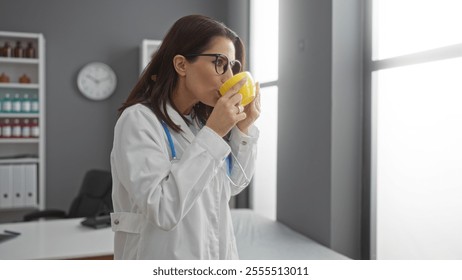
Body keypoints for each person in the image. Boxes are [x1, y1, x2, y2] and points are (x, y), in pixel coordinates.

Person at [110, 14, 261, 260]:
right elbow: (162, 209)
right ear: (181, 65)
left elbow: (233, 185)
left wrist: (243, 129)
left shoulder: (201, 122)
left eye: (233, 66)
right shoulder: (138, 120)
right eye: (220, 62)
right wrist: (213, 133)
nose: (228, 77)